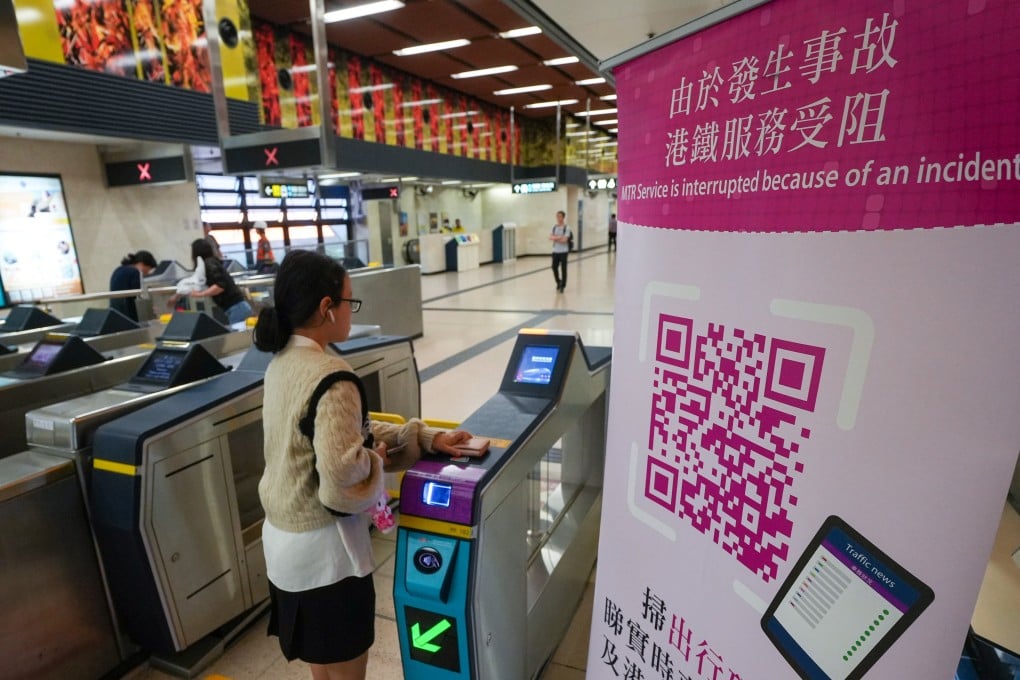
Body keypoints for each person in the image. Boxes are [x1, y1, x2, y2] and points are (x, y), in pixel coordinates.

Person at [252, 250, 477, 680]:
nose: (350, 314)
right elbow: (341, 480)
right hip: (327, 557)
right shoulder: (330, 374)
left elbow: (355, 432)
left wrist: (427, 439)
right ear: (325, 307)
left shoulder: (282, 363)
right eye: (348, 302)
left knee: (324, 671)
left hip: (284, 547)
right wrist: (373, 461)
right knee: (349, 673)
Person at [168, 239, 252, 325]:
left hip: (236, 308)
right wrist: (177, 295)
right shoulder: (210, 263)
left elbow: (220, 286)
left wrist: (201, 294)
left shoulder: (209, 264)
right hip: (237, 308)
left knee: (237, 336)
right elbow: (196, 283)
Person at [109, 250, 158, 321]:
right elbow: (138, 297)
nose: (146, 274)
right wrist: (149, 309)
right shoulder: (134, 272)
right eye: (147, 270)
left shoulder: (118, 269)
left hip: (116, 313)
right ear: (142, 263)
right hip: (128, 315)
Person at [549, 210, 571, 292]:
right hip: (555, 251)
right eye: (557, 216)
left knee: (563, 269)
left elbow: (565, 240)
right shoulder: (554, 227)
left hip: (564, 251)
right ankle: (558, 282)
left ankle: (563, 286)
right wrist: (559, 237)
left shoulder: (567, 227)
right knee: (554, 267)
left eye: (560, 216)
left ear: (563, 217)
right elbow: (550, 237)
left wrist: (555, 237)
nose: (558, 218)